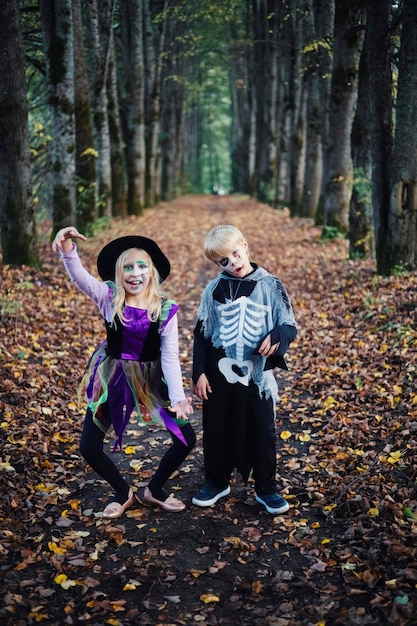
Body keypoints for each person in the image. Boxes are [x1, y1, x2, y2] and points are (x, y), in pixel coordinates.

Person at [52, 227, 195, 518]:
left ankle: (155, 489)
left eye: (142, 266)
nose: (135, 273)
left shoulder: (165, 310)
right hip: (114, 377)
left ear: (152, 272)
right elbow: (81, 279)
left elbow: (169, 358)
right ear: (118, 274)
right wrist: (68, 250)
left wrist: (178, 398)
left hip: (152, 380)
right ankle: (122, 491)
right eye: (127, 267)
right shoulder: (109, 298)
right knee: (89, 446)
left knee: (186, 438)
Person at [192, 224, 297, 514]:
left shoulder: (271, 285)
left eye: (235, 254)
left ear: (246, 246)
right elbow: (201, 333)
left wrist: (277, 337)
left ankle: (266, 487)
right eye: (223, 261)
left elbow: (289, 325)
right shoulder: (213, 290)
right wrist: (198, 372)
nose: (232, 263)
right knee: (216, 427)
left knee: (262, 429)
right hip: (218, 374)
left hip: (256, 375)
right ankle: (216, 481)